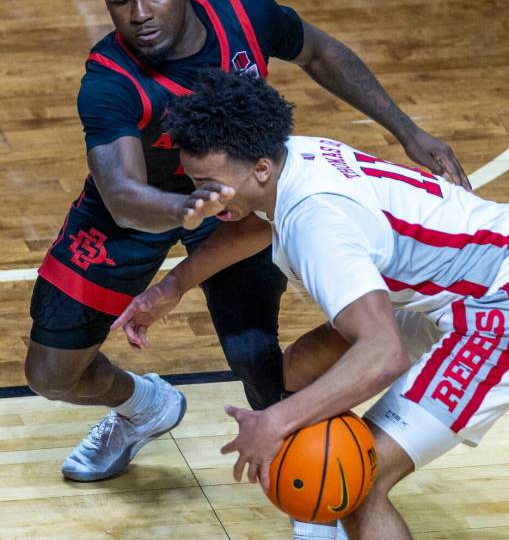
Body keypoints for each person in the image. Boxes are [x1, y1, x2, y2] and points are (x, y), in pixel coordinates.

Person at [27, 0, 469, 485]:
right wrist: (187, 208)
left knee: (257, 359)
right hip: (140, 212)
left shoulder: (246, 17)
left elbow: (323, 54)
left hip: (238, 203)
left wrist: (411, 133)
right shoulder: (109, 78)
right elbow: (122, 196)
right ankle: (144, 406)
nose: (139, 13)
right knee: (50, 374)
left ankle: (313, 495)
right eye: (121, 0)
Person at [113, 70, 509, 540]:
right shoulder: (289, 157)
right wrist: (171, 288)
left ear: (260, 168)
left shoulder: (318, 226)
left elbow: (383, 353)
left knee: (356, 482)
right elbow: (256, 221)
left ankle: (340, 498)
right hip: (459, 283)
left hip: (491, 308)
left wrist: (273, 423)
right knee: (301, 370)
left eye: (211, 185)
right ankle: (326, 507)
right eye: (196, 182)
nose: (202, 198)